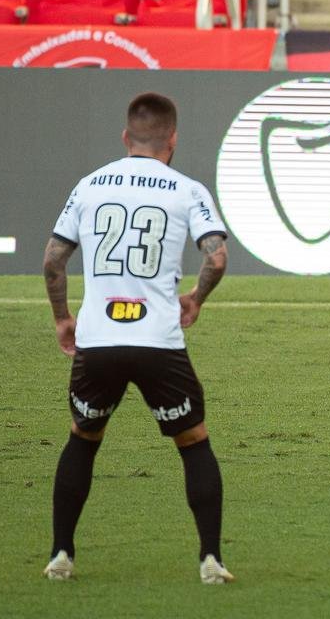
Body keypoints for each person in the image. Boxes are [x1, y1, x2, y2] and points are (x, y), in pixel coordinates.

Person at [42, 92, 234, 583]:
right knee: (193, 442)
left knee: (83, 439)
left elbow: (53, 261)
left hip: (98, 340)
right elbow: (215, 257)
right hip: (157, 341)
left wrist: (64, 317)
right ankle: (210, 559)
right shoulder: (187, 190)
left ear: (126, 137)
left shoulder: (88, 186)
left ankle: (61, 554)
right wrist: (196, 298)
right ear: (173, 140)